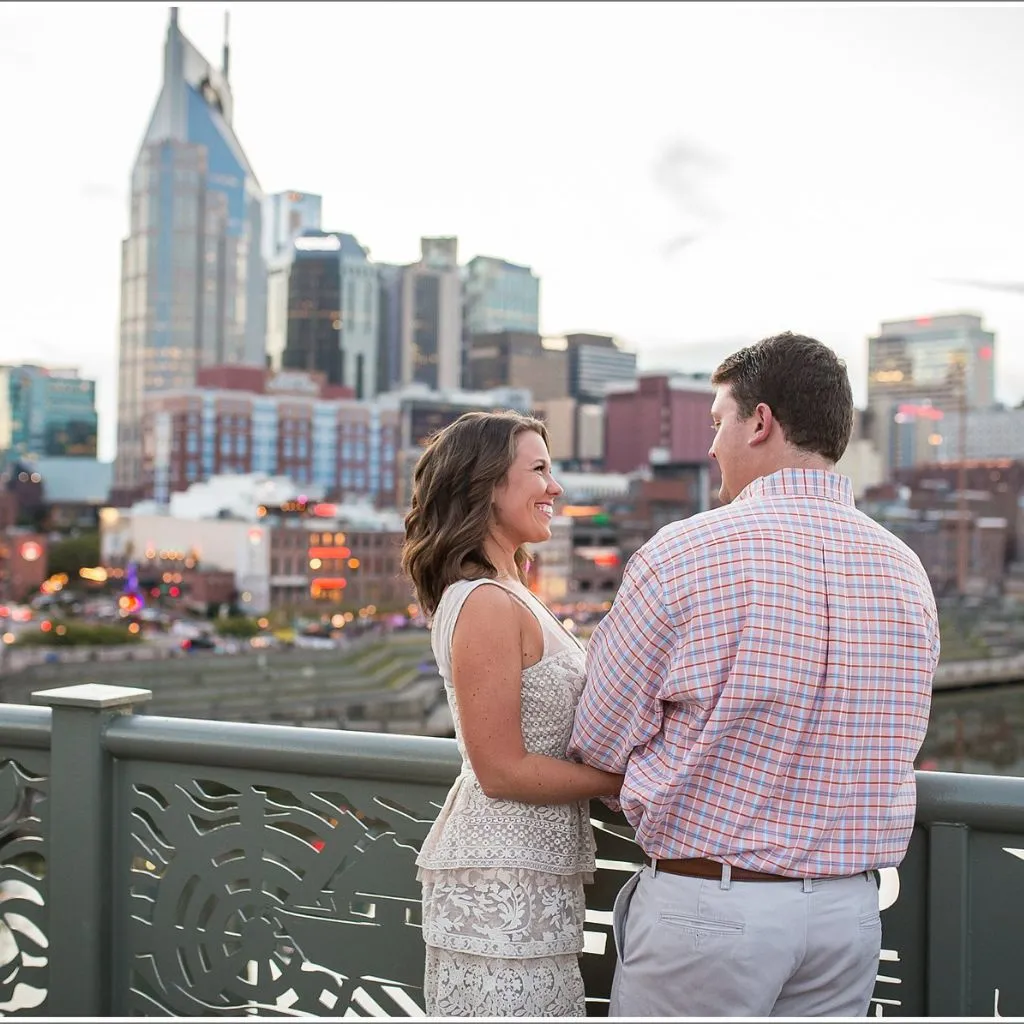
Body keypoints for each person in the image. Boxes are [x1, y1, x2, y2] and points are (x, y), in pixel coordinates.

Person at [568, 332, 940, 1017]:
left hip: (712, 910)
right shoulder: (905, 570)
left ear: (760, 422)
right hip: (848, 916)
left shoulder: (686, 553)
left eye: (718, 423)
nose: (711, 446)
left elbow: (597, 739)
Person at [402, 410, 623, 1018]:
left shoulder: (510, 592)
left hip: (530, 878)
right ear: (486, 485)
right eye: (540, 470)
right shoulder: (486, 603)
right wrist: (625, 783)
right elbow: (500, 769)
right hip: (501, 884)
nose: (555, 488)